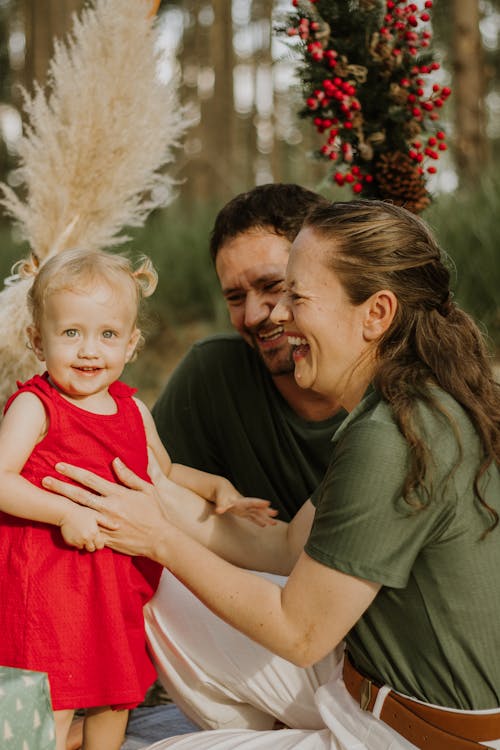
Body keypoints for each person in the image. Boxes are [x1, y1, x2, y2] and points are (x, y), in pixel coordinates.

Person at [47, 199, 500, 749]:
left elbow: (300, 632)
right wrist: (153, 490)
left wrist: (160, 537)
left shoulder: (394, 437)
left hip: (407, 735)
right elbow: (287, 546)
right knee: (152, 586)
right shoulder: (409, 401)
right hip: (368, 683)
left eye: (297, 295)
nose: (277, 314)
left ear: (376, 314)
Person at [0, 248, 275, 750]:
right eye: (71, 334)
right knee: (51, 704)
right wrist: (65, 511)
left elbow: (162, 471)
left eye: (106, 335)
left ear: (131, 344)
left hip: (111, 583)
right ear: (38, 341)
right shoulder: (36, 407)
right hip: (47, 584)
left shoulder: (132, 409)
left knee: (115, 696)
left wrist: (216, 487)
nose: (89, 350)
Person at [146, 183, 347, 731]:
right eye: (235, 297)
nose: (257, 314)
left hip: (376, 653)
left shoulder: (386, 408)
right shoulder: (213, 375)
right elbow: (275, 548)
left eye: (273, 286)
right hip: (271, 633)